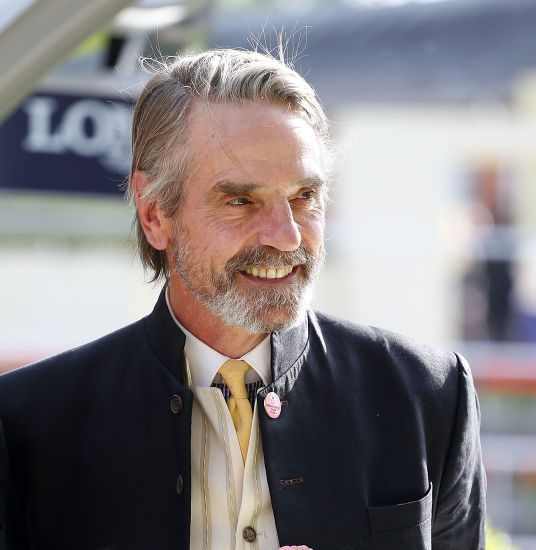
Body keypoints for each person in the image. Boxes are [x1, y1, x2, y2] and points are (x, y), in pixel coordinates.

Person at [0, 48, 485, 550]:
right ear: (154, 215)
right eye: (240, 200)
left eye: (304, 196)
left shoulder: (428, 393)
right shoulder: (28, 424)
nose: (286, 236)